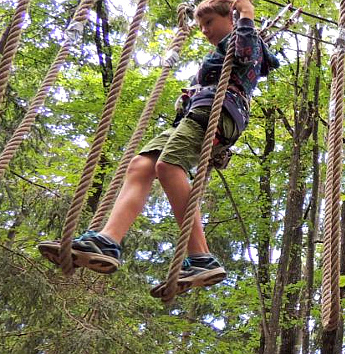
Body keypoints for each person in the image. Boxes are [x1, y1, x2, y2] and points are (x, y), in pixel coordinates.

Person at [38, 0, 279, 298]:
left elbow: (245, 55)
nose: (204, 31)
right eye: (201, 25)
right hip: (194, 114)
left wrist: (247, 15)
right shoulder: (225, 45)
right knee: (141, 164)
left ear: (229, 16)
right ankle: (107, 240)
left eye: (209, 23)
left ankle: (200, 257)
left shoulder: (246, 38)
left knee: (168, 166)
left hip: (220, 112)